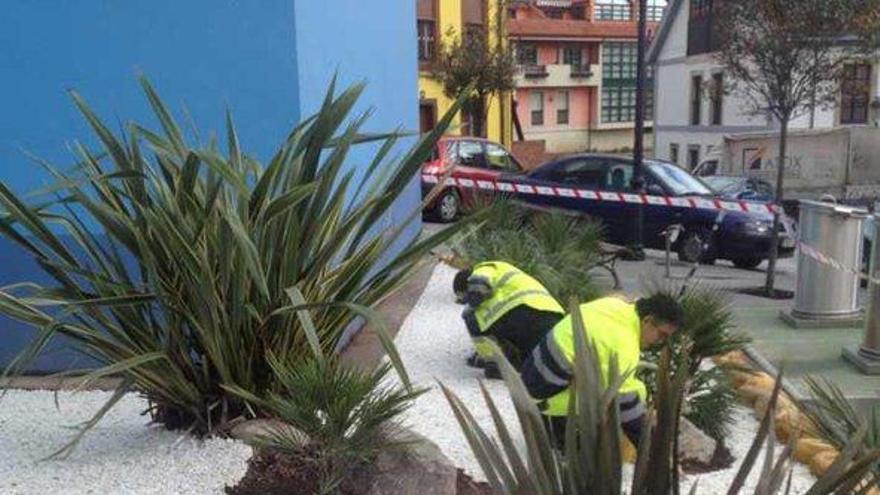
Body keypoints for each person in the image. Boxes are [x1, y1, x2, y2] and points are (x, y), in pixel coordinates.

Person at [519, 293, 684, 449]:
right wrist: (654, 450)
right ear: (647, 321)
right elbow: (626, 407)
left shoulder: (614, 305)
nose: (661, 341)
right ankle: (560, 434)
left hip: (534, 372)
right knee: (622, 399)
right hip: (540, 398)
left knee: (636, 389)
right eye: (661, 335)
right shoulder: (623, 346)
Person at [454, 261, 565, 379]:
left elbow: (479, 284)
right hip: (551, 313)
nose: (465, 300)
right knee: (536, 360)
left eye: (463, 296)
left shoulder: (484, 268)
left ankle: (495, 364)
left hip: (520, 310)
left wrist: (473, 301)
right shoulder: (505, 271)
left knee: (469, 315)